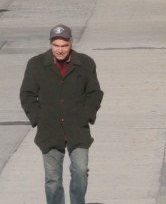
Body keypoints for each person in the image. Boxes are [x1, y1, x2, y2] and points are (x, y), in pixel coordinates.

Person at [19, 25, 103, 204]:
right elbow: (27, 94)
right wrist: (38, 118)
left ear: (71, 43)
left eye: (64, 45)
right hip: (49, 131)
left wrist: (86, 115)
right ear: (51, 44)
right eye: (56, 45)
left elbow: (95, 93)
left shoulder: (85, 63)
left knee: (80, 171)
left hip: (77, 129)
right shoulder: (36, 64)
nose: (60, 50)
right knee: (52, 179)